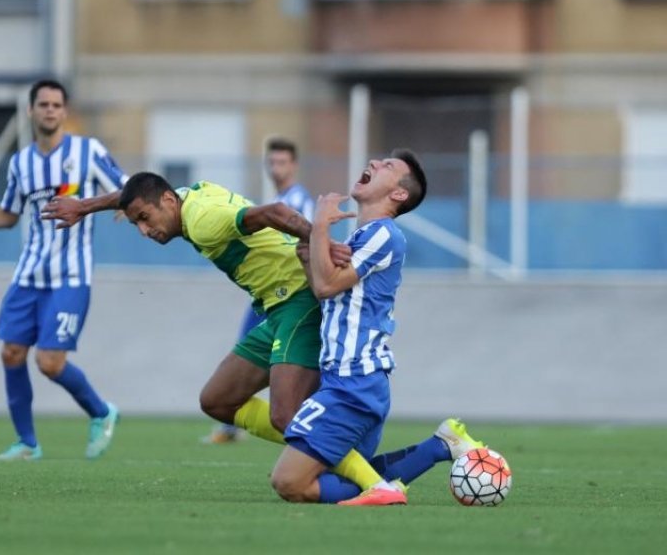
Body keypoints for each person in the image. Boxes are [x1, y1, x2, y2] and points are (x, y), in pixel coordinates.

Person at [41, 172, 399, 498]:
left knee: (285, 414)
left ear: (168, 202)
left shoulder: (202, 221)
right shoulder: (182, 197)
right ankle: (350, 459)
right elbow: (134, 192)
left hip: (298, 300)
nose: (144, 231)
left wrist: (320, 239)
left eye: (145, 220)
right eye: (136, 223)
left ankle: (372, 482)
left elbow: (274, 211)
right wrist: (85, 207)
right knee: (218, 400)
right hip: (276, 308)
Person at [270, 149, 485, 505]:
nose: (373, 163)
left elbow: (326, 286)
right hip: (352, 382)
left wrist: (320, 225)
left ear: (398, 194)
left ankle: (385, 488)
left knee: (289, 482)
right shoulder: (363, 237)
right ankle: (439, 446)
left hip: (353, 384)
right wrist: (310, 255)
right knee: (348, 472)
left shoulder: (384, 234)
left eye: (387, 166)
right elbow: (328, 295)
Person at [0, 79, 123, 461]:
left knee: (49, 362)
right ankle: (28, 444)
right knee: (11, 354)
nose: (50, 110)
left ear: (64, 112)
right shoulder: (21, 163)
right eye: (43, 104)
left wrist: (120, 205)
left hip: (71, 278)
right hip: (28, 276)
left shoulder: (88, 151)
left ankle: (101, 411)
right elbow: (9, 216)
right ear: (31, 111)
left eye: (56, 104)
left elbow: (126, 187)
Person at [203, 137, 315, 445]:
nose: (276, 169)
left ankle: (312, 437)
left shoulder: (297, 202)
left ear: (294, 165)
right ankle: (235, 424)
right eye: (272, 162)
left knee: (282, 365)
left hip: (288, 295)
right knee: (248, 352)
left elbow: (304, 241)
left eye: (282, 163)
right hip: (268, 294)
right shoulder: (278, 197)